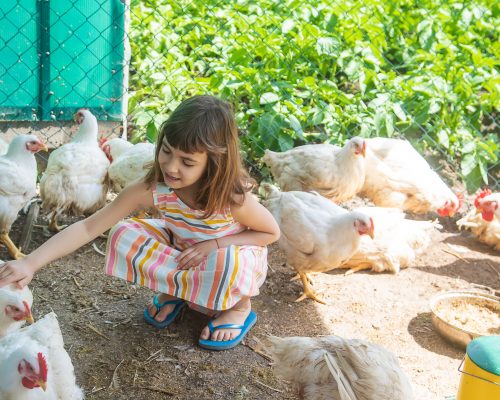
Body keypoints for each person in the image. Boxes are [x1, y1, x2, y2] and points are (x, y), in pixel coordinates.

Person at [0, 95, 280, 350]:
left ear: (214, 161)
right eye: (167, 151)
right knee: (125, 232)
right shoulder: (154, 187)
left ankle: (240, 307)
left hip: (232, 254)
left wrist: (216, 243)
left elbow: (269, 232)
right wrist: (30, 262)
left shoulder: (229, 197)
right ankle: (180, 292)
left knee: (225, 260)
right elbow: (89, 227)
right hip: (186, 251)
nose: (171, 166)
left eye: (187, 161)